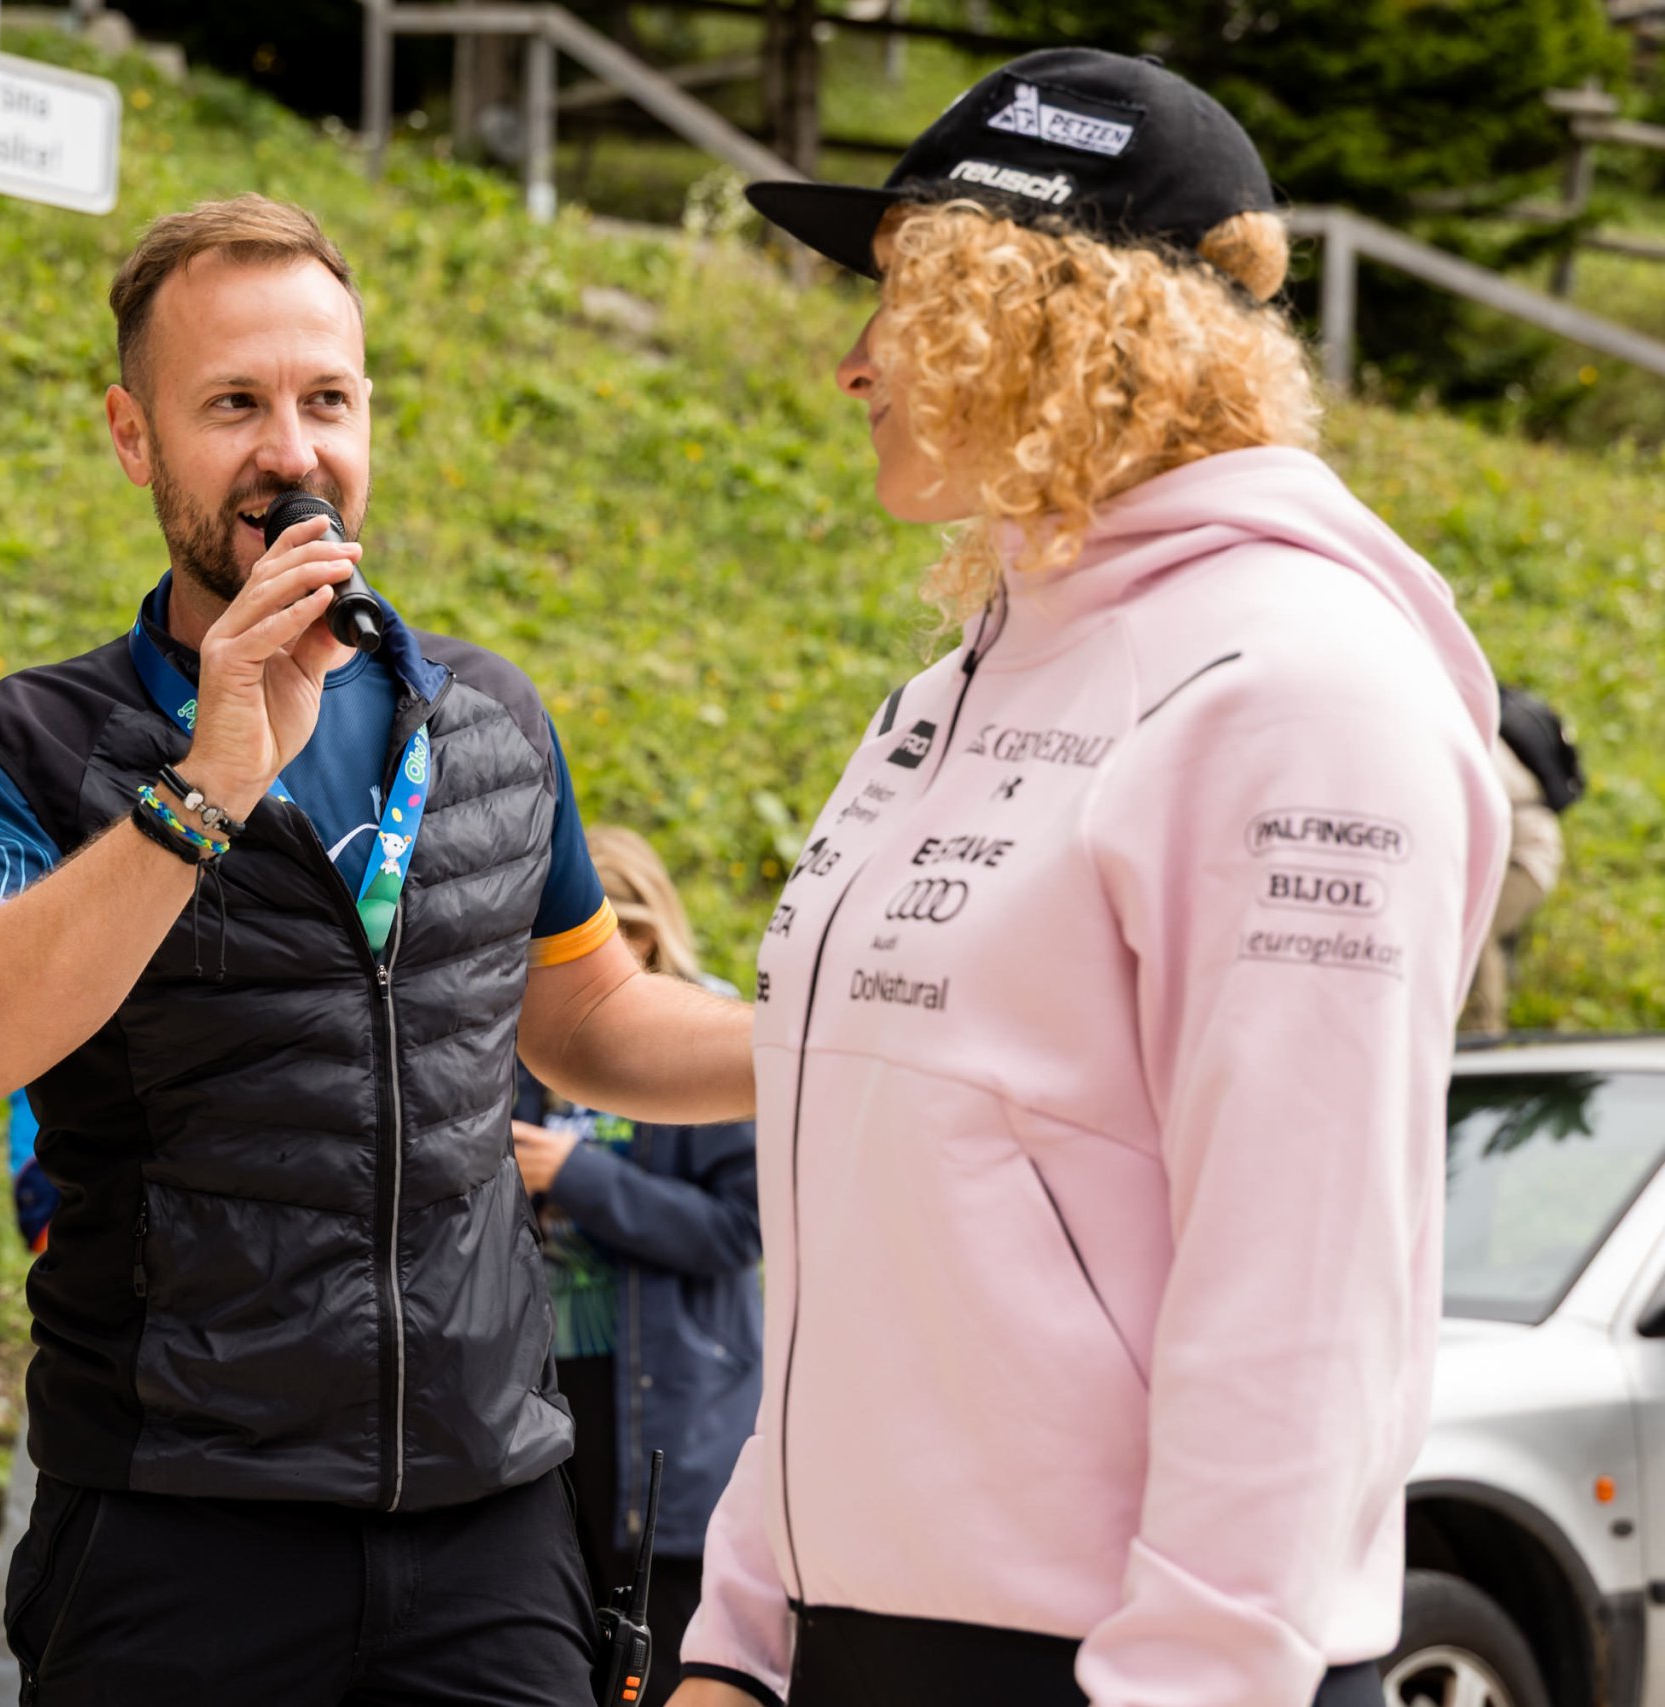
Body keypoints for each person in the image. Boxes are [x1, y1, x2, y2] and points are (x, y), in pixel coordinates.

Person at [668, 50, 1510, 1707]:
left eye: (907, 296)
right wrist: (746, 1638)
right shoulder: (957, 687)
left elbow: (1303, 1299)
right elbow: (864, 1219)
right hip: (851, 1647)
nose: (857, 361)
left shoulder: (1303, 693)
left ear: (1055, 316)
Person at [0, 194, 753, 1705]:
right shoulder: (32, 744)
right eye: (233, 404)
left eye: (326, 400)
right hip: (177, 1526)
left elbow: (591, 1019)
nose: (292, 451)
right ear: (134, 436)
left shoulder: (487, 719)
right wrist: (201, 789)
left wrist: (847, 1032)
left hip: (487, 1521)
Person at [511, 826, 762, 1679]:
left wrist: (576, 1176)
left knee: (664, 1656)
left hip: (667, 1404)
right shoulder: (528, 1036)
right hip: (550, 1398)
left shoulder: (709, 1040)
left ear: (644, 935)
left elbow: (739, 1231)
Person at [1458, 684, 1579, 1035]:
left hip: (1525, 861)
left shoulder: (1482, 748)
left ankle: (1482, 1033)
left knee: (1476, 926)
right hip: (1501, 856)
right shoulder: (1476, 739)